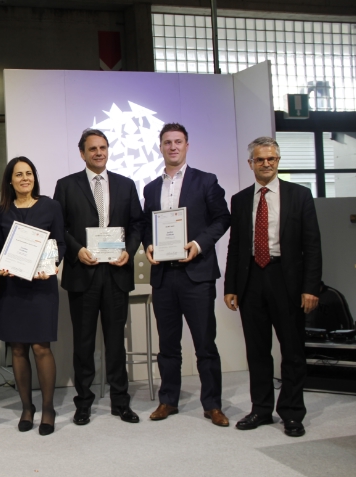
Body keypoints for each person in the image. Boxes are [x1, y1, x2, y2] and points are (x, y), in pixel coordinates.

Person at [224, 136, 321, 437]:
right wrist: (231, 286)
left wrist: (311, 287)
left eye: (271, 159)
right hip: (251, 278)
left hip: (287, 280)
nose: (266, 164)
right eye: (260, 159)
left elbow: (312, 245)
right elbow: (236, 246)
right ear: (250, 163)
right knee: (257, 351)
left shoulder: (299, 195)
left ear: (278, 161)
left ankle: (291, 412)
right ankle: (261, 409)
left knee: (292, 350)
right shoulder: (240, 199)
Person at [142, 123, 231, 426]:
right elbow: (146, 226)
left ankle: (213, 404)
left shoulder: (206, 181)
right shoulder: (150, 188)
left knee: (205, 344)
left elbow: (222, 218)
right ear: (160, 147)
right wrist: (149, 244)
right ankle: (168, 400)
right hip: (164, 277)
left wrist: (199, 244)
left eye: (178, 142)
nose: (173, 147)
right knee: (168, 345)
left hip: (197, 275)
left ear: (187, 146)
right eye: (167, 142)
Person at [53, 128, 144, 426]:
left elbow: (137, 224)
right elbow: (59, 227)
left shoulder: (126, 185)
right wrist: (76, 250)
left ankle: (121, 402)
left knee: (116, 343)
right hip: (83, 274)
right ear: (82, 153)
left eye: (103, 147)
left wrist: (129, 251)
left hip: (116, 273)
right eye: (92, 148)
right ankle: (83, 403)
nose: (99, 152)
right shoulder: (66, 186)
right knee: (84, 344)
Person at [0, 157, 65, 436]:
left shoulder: (51, 206)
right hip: (13, 287)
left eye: (29, 173)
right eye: (19, 174)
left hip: (42, 286)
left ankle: (48, 409)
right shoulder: (2, 211)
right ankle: (27, 407)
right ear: (10, 181)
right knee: (18, 348)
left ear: (34, 177)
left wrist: (52, 265)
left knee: (40, 347)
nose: (25, 178)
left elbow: (60, 242)